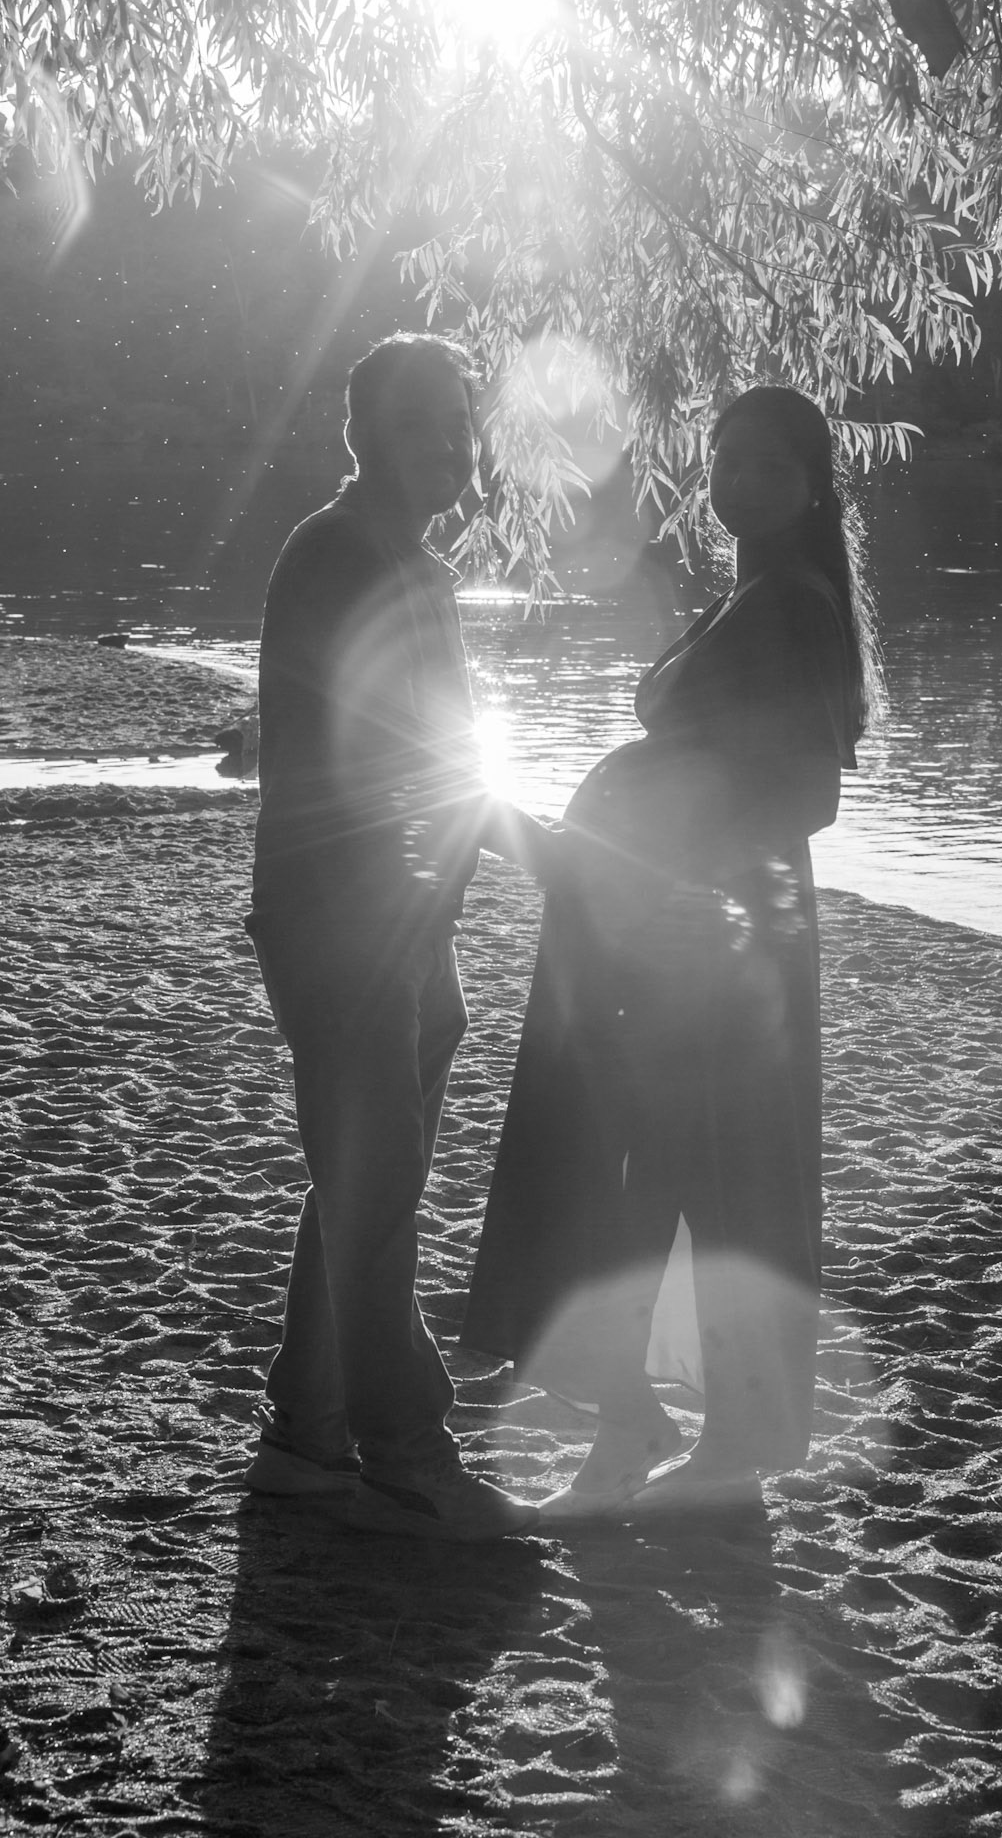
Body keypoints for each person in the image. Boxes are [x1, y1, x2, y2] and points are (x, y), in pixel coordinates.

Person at [461, 384, 869, 1515]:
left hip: (711, 939)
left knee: (690, 1170)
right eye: (726, 458)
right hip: (677, 931)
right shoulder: (754, 594)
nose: (739, 480)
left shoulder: (791, 604)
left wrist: (687, 886)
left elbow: (808, 793)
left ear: (812, 485)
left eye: (768, 464)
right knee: (666, 1169)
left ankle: (691, 1437)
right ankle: (654, 1430)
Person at [242, 333, 551, 1540]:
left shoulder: (419, 566)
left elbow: (452, 750)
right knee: (374, 1189)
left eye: (460, 421)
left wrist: (510, 858)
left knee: (366, 1175)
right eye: (420, 419)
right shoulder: (334, 554)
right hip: (344, 918)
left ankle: (306, 1432)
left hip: (413, 919)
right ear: (363, 432)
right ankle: (407, 1458)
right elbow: (377, 750)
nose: (450, 443)